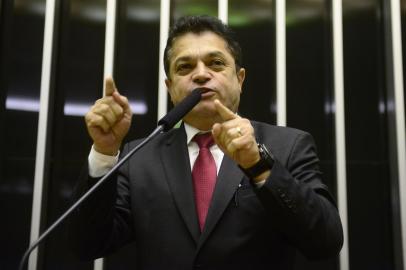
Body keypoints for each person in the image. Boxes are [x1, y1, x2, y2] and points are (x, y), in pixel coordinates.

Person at [70, 15, 343, 270]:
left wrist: (259, 165)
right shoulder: (138, 156)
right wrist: (105, 151)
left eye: (215, 63)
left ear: (240, 79)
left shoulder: (288, 145)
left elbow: (325, 241)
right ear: (170, 87)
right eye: (185, 67)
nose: (200, 74)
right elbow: (88, 244)